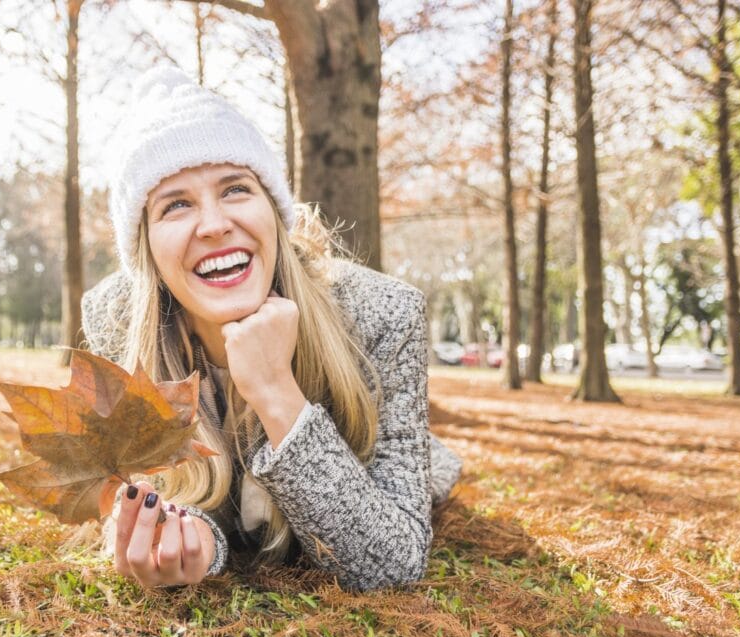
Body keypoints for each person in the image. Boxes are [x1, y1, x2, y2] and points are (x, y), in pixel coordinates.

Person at [80, 66, 462, 591]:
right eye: (177, 204)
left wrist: (277, 393)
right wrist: (199, 544)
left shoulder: (384, 313)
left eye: (235, 189)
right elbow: (166, 493)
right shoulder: (116, 322)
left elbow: (392, 565)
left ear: (274, 212)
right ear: (146, 247)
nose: (213, 224)